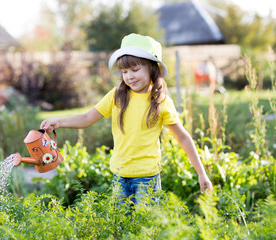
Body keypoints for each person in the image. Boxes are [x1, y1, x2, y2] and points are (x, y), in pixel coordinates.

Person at [40, 33, 213, 207]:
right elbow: (87, 118)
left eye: (135, 69)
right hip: (120, 175)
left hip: (147, 178)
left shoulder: (161, 102)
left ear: (152, 68)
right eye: (124, 71)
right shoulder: (116, 97)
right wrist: (59, 122)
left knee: (145, 228)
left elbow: (183, 137)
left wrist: (201, 172)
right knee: (122, 227)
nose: (129, 76)